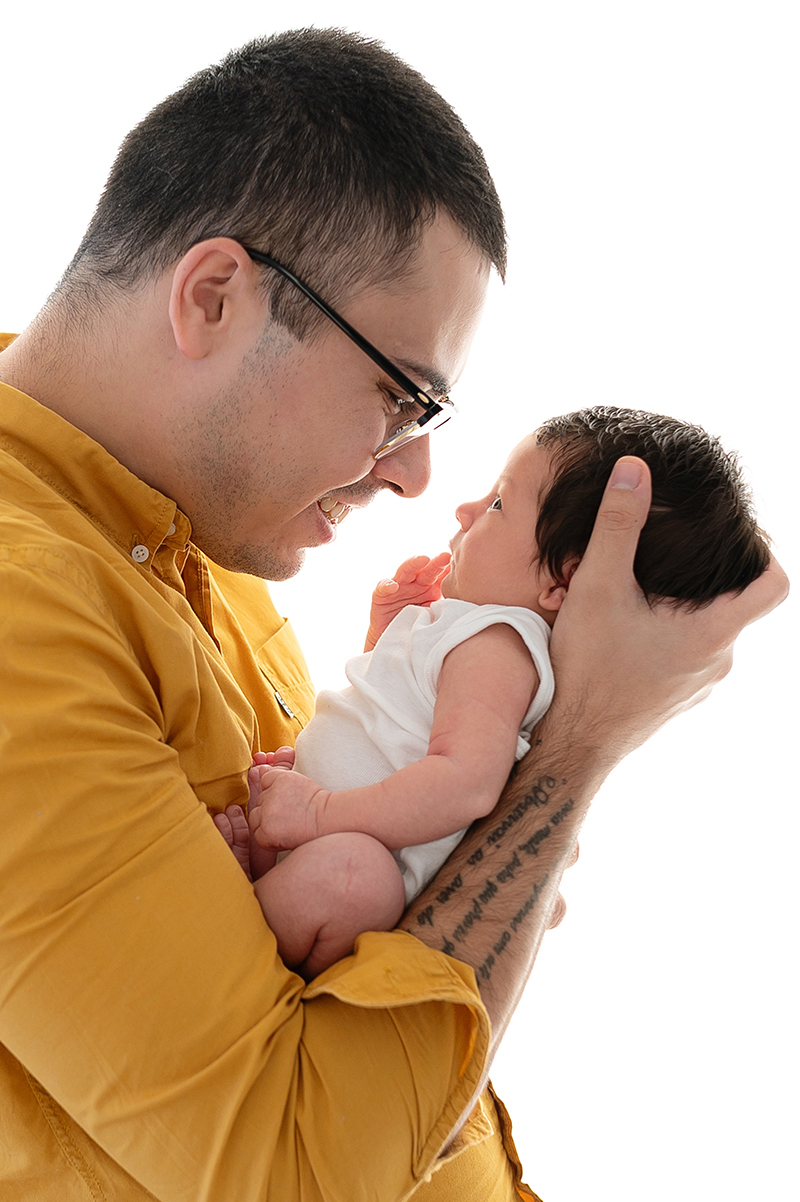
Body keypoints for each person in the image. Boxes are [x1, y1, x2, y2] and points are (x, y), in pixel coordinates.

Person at [0, 26, 786, 1202]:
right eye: (399, 393)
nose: (417, 476)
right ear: (214, 295)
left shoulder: (199, 549)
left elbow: (379, 946)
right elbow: (300, 1169)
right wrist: (575, 755)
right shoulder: (24, 605)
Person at [216, 406, 770, 980]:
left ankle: (240, 931)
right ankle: (267, 882)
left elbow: (465, 784)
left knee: (354, 878)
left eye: (500, 504)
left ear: (563, 581)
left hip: (361, 863)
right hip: (313, 837)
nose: (466, 510)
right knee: (329, 844)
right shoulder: (472, 636)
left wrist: (320, 812)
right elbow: (398, 717)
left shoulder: (498, 647)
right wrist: (388, 635)